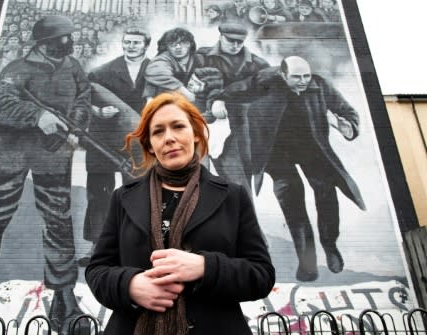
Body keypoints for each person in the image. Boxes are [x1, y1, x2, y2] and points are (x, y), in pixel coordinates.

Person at [0, 15, 92, 335]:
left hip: (53, 157)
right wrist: (36, 115)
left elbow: (83, 100)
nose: (68, 44)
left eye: (70, 37)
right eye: (62, 39)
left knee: (58, 223)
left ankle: (64, 297)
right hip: (11, 155)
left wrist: (75, 129)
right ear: (43, 42)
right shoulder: (17, 70)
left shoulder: (72, 67)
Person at [85, 92, 275, 335]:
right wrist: (130, 285)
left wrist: (206, 267)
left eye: (178, 127)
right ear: (150, 146)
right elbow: (97, 270)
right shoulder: (123, 198)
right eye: (158, 132)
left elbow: (261, 275)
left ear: (195, 134)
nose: (169, 138)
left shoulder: (232, 196)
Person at [247, 56, 366, 281]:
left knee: (326, 193)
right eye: (296, 77)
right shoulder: (264, 84)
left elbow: (348, 111)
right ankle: (308, 263)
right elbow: (238, 91)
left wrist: (346, 127)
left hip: (311, 147)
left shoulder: (319, 86)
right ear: (283, 75)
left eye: (306, 76)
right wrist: (219, 100)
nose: (303, 81)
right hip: (277, 153)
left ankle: (330, 245)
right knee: (292, 201)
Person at [79, 27, 152, 266]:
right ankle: (96, 248)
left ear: (146, 45)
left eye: (136, 42)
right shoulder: (102, 72)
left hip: (139, 145)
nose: (131, 46)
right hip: (103, 141)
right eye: (127, 42)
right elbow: (80, 99)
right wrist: (98, 111)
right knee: (99, 194)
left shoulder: (157, 71)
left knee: (138, 195)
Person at [195, 22, 269, 196]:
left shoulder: (256, 64)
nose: (236, 45)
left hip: (238, 128)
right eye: (231, 41)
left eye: (240, 42)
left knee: (238, 179)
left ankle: (244, 220)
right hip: (201, 123)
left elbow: (266, 90)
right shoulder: (201, 56)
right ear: (220, 36)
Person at [143, 27, 200, 102]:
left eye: (183, 43)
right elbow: (157, 72)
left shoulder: (199, 58)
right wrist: (183, 91)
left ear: (190, 44)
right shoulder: (164, 58)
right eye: (172, 44)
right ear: (166, 47)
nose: (178, 47)